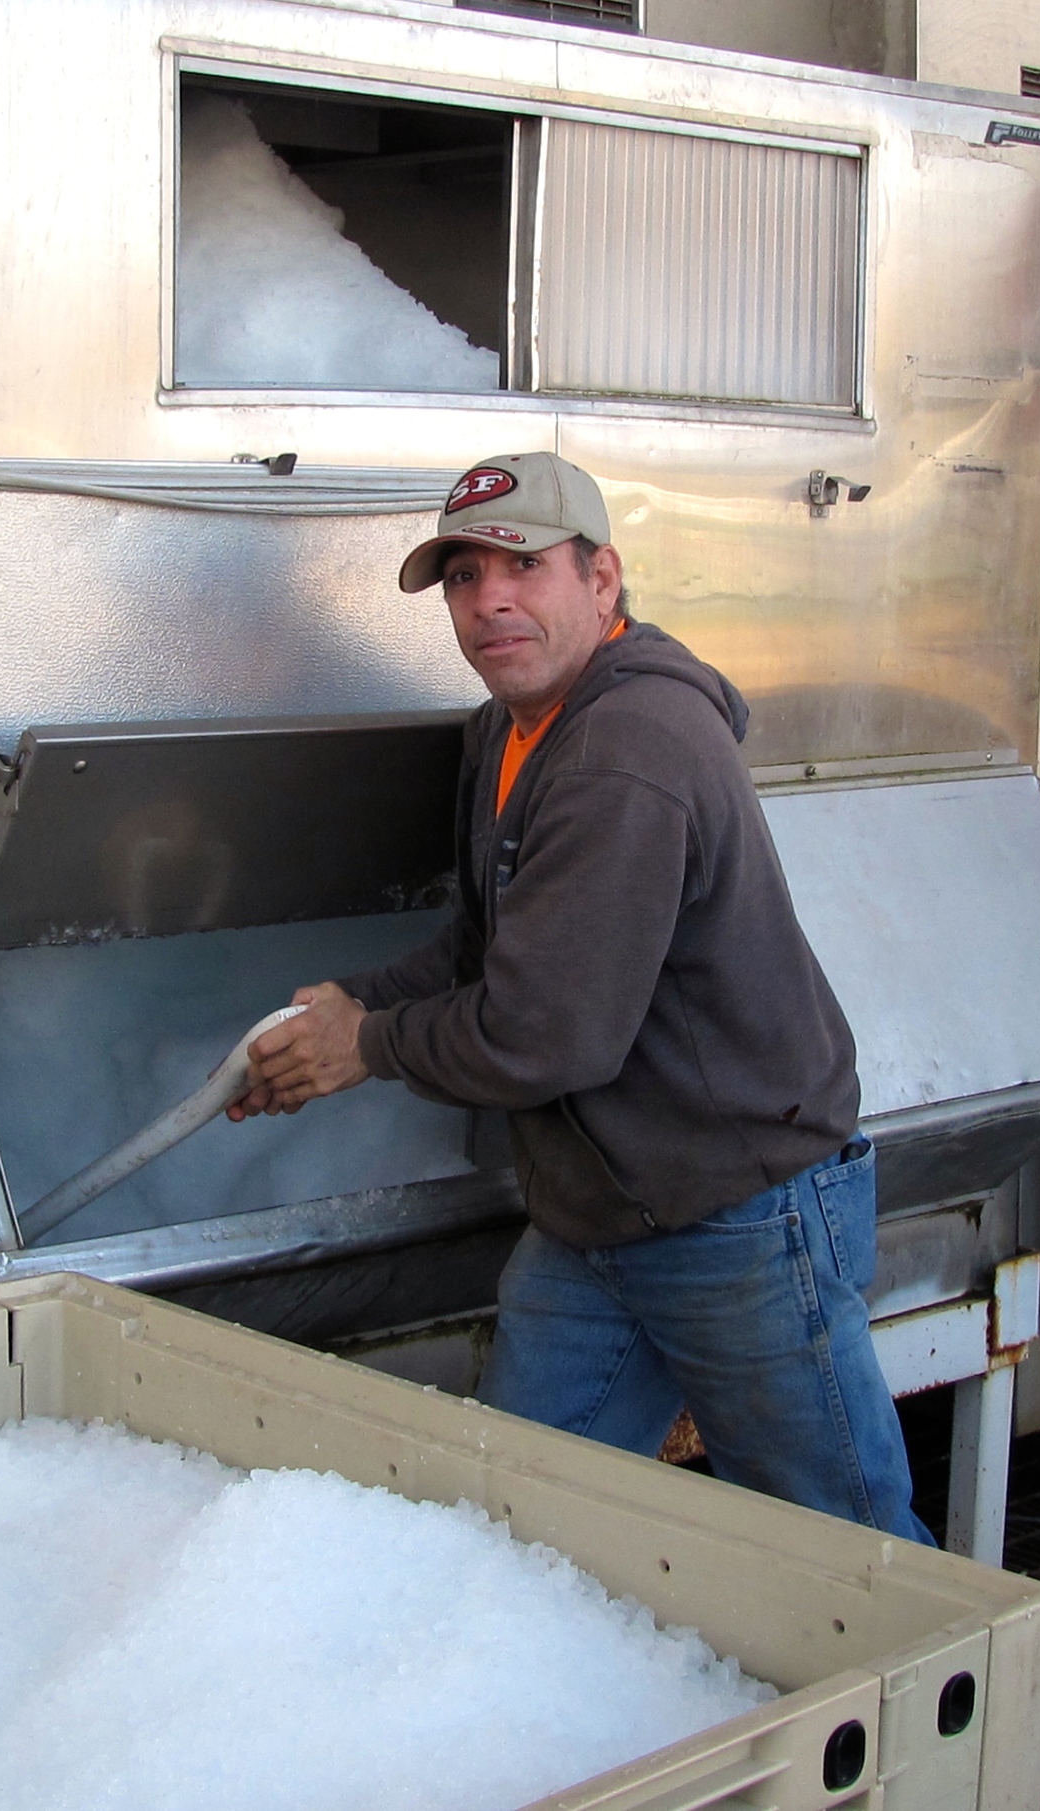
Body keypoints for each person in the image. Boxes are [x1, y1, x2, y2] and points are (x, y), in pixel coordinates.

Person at [228, 451, 930, 1544]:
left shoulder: (625, 749)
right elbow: (485, 946)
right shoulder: (509, 733)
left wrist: (365, 1045)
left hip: (738, 1216)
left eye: (521, 565)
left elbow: (545, 1034)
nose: (487, 600)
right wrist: (334, 1020)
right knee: (516, 1524)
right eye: (461, 576)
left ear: (602, 579)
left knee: (843, 1553)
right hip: (599, 1215)